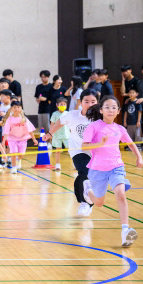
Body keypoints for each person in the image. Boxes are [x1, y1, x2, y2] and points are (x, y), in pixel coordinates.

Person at [81, 96, 143, 247]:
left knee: (121, 194)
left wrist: (139, 157)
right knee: (99, 203)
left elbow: (130, 144)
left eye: (114, 107)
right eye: (107, 107)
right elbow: (84, 147)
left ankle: (125, 231)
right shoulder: (93, 127)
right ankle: (88, 191)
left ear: (118, 111)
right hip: (97, 169)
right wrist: (99, 143)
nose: (110, 110)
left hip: (116, 167)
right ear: (101, 110)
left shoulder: (120, 129)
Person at [45, 89, 98, 217]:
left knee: (89, 177)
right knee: (84, 171)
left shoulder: (101, 116)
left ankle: (87, 201)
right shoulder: (73, 115)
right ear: (80, 102)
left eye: (93, 101)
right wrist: (50, 133)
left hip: (96, 150)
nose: (89, 104)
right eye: (86, 101)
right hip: (78, 149)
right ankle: (85, 203)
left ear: (97, 102)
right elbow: (60, 122)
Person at [2, 101, 38, 173]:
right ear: (11, 109)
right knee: (14, 153)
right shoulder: (9, 119)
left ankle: (19, 160)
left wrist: (34, 139)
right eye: (14, 107)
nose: (16, 109)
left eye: (18, 107)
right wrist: (3, 141)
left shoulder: (24, 119)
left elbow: (30, 130)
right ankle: (14, 167)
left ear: (21, 108)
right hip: (12, 139)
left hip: (22, 139)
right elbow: (6, 131)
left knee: (21, 154)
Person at [49, 97, 70, 171]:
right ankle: (57, 165)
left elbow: (70, 124)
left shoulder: (68, 114)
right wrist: (51, 133)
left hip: (67, 135)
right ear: (57, 105)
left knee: (71, 150)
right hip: (57, 135)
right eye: (61, 104)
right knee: (58, 150)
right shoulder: (55, 114)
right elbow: (52, 124)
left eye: (64, 104)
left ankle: (75, 163)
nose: (63, 105)